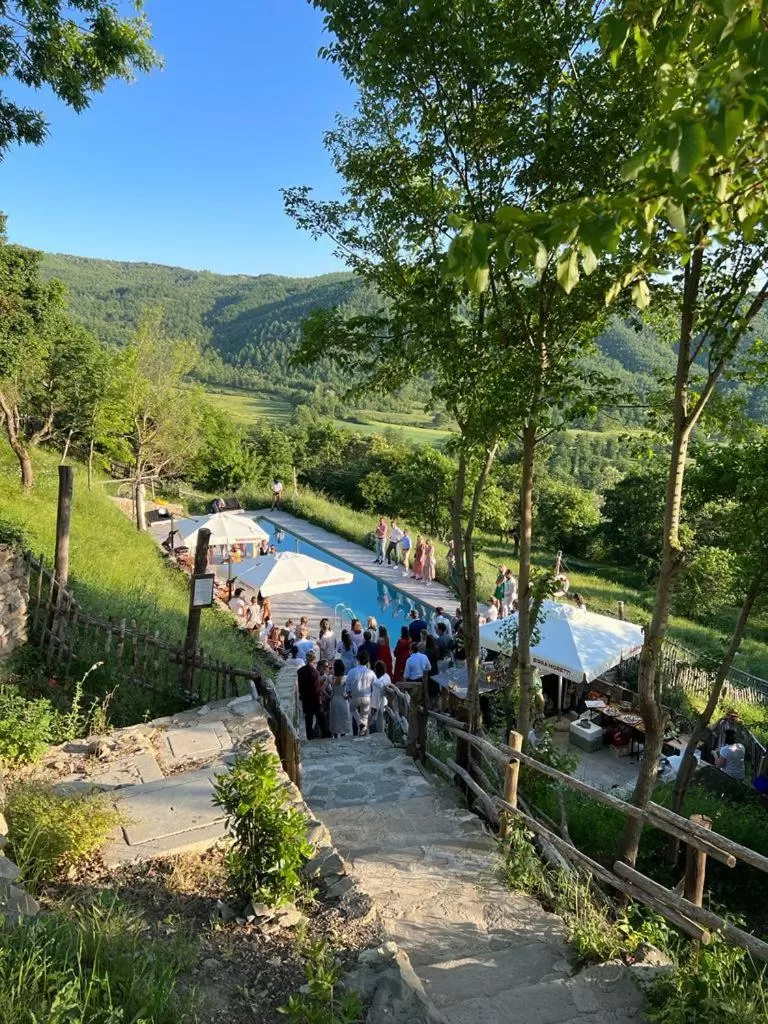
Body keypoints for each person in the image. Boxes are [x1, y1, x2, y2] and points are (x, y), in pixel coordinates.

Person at [297, 652, 327, 740]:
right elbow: (317, 688)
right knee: (321, 718)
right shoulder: (315, 672)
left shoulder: (300, 671)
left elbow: (299, 685)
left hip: (305, 698)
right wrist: (320, 699)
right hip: (315, 699)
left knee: (308, 719)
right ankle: (324, 735)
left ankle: (310, 736)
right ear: (314, 660)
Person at [345, 650, 376, 736]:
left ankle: (359, 723)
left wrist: (348, 692)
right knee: (365, 716)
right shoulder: (371, 673)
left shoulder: (352, 672)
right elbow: (375, 686)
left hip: (355, 696)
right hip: (367, 697)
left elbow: (348, 685)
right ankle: (363, 733)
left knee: (352, 709)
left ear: (358, 660)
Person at [329, 658, 353, 738]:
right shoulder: (346, 678)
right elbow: (351, 690)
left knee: (335, 719)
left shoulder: (331, 678)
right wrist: (348, 697)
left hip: (334, 699)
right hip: (343, 699)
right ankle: (343, 736)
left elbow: (324, 688)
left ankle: (335, 735)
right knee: (343, 719)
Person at [371, 660, 391, 733]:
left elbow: (377, 693)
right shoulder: (387, 676)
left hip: (380, 703)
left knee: (379, 724)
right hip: (385, 701)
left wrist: (373, 707)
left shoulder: (377, 682)